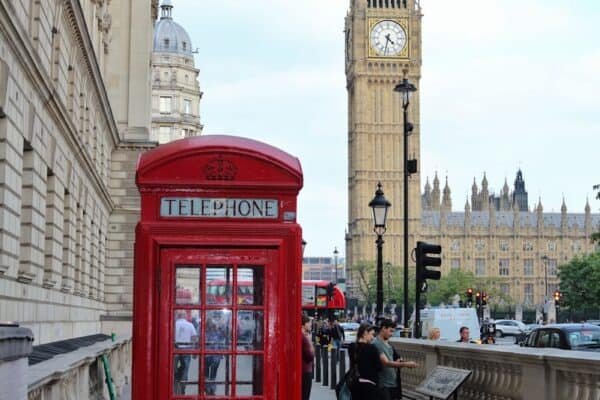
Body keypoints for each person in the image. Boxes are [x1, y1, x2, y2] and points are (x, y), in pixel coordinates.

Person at [373, 319, 418, 400]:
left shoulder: (386, 343)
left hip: (392, 382)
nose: (392, 334)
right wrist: (406, 364)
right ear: (383, 328)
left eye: (393, 331)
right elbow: (386, 363)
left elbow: (391, 360)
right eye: (390, 331)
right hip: (384, 384)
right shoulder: (377, 343)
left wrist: (399, 362)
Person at [348, 323, 382, 399]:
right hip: (370, 385)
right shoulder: (372, 348)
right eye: (372, 334)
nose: (373, 338)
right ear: (365, 333)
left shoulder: (351, 347)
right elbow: (379, 367)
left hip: (355, 383)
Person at [174, 310, 198, 395]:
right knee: (185, 370)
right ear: (185, 316)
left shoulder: (173, 324)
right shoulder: (190, 325)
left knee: (173, 369)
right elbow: (194, 337)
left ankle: (174, 387)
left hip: (175, 350)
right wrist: (195, 350)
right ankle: (182, 388)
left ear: (178, 316)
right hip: (186, 350)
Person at [301, 315, 315, 400]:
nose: (310, 325)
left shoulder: (298, 335)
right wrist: (310, 342)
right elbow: (310, 356)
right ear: (303, 324)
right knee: (305, 396)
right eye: (308, 323)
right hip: (306, 371)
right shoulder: (304, 338)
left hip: (300, 370)